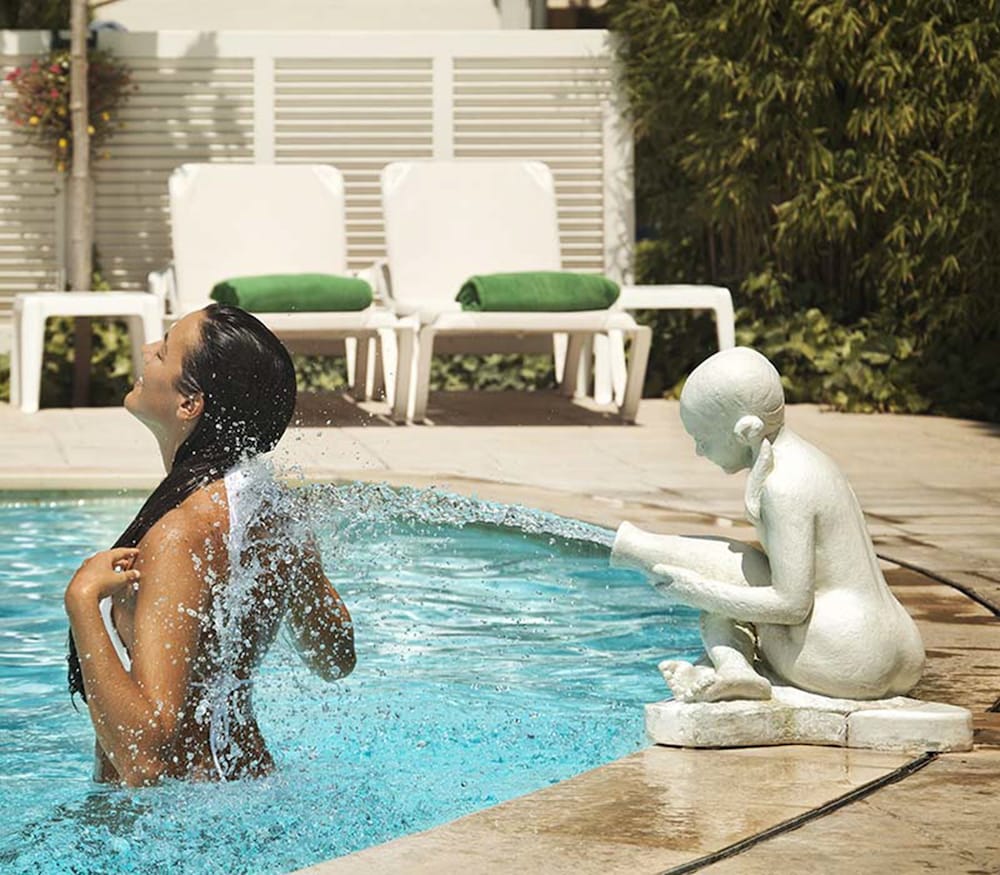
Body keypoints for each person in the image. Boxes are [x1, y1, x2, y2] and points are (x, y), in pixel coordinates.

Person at [64, 304, 355, 787]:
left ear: (189, 403)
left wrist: (82, 604)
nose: (146, 350)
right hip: (247, 786)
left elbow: (146, 762)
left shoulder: (180, 534)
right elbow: (335, 659)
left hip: (173, 817)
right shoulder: (271, 510)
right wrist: (301, 565)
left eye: (164, 351)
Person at [644, 347, 924, 703]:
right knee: (746, 572)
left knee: (725, 590)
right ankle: (730, 667)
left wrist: (696, 590)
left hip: (848, 657)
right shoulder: (812, 459)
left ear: (745, 430)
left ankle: (737, 671)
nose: (699, 451)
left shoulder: (783, 485)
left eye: (703, 439)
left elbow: (792, 605)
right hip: (903, 647)